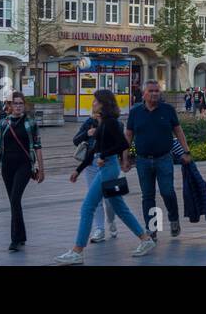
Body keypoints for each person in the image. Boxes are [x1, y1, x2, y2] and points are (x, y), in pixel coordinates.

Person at [55, 89, 153, 263]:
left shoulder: (111, 123)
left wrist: (103, 155)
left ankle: (77, 251)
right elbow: (94, 150)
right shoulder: (102, 123)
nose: (92, 103)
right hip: (106, 166)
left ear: (103, 103)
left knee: (87, 207)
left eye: (95, 101)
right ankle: (146, 239)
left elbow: (123, 144)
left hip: (109, 168)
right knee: (119, 207)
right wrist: (79, 169)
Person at [125, 79, 191, 240]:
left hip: (164, 158)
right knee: (148, 196)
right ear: (144, 94)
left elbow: (178, 131)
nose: (155, 93)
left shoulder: (167, 110)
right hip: (143, 160)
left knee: (167, 191)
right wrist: (124, 157)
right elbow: (128, 135)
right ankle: (152, 230)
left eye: (157, 91)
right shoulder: (135, 112)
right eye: (151, 91)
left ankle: (173, 219)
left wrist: (186, 151)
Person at [0, 92, 45, 251]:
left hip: (24, 166)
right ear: (10, 106)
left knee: (14, 199)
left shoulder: (31, 123)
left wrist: (42, 169)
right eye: (15, 103)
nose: (18, 106)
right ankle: (21, 235)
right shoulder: (3, 123)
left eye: (21, 103)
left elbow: (38, 147)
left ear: (24, 105)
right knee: (14, 202)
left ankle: (14, 240)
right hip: (7, 167)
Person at [72, 107, 117, 242]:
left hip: (108, 164)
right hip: (91, 165)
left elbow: (123, 144)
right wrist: (88, 133)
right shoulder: (89, 123)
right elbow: (75, 140)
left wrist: (125, 159)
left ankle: (111, 220)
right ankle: (99, 229)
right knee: (95, 199)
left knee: (110, 200)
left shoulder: (113, 123)